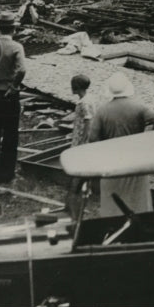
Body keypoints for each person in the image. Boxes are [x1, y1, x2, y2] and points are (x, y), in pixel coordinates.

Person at [88, 73, 154, 217]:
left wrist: (104, 147)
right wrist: (147, 139)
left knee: (113, 196)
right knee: (137, 195)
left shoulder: (102, 110)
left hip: (112, 159)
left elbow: (92, 138)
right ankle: (140, 221)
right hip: (135, 156)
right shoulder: (138, 106)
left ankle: (112, 222)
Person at [0, 12, 26, 185]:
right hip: (10, 93)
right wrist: (14, 86)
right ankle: (6, 172)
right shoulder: (16, 47)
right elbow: (22, 70)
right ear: (14, 29)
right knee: (10, 133)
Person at [64, 74, 95, 215]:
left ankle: (73, 195)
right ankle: (82, 191)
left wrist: (83, 140)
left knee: (76, 168)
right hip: (81, 137)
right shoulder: (88, 99)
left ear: (76, 87)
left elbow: (88, 121)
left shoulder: (83, 103)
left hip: (81, 140)